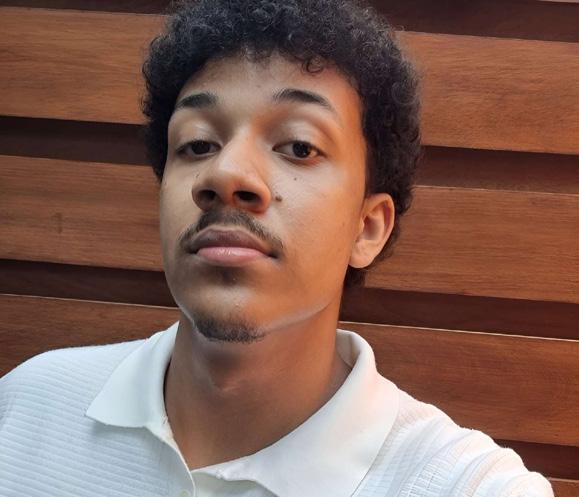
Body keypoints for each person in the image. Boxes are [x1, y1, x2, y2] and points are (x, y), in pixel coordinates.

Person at [0, 0, 554, 496]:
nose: (225, 174)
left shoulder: (470, 485)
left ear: (367, 228)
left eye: (299, 146)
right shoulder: (27, 408)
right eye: (197, 143)